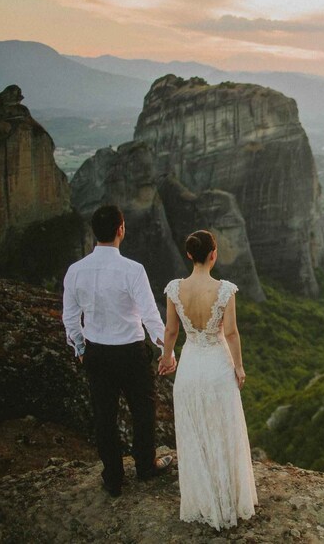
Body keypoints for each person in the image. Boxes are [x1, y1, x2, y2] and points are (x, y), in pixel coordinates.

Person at [62, 205, 176, 498]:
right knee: (143, 411)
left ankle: (113, 477)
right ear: (121, 230)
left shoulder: (75, 271)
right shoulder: (132, 270)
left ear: (93, 232)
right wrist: (167, 351)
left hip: (97, 352)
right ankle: (145, 466)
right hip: (131, 353)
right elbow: (151, 316)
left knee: (104, 416)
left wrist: (79, 347)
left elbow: (70, 317)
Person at [162, 230, 258, 530]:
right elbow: (230, 333)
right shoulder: (225, 290)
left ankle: (204, 499)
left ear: (189, 255)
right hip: (217, 366)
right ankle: (227, 497)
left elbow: (171, 331)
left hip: (190, 367)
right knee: (223, 429)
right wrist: (239, 367)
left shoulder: (175, 290)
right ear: (213, 254)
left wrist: (166, 358)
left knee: (196, 431)